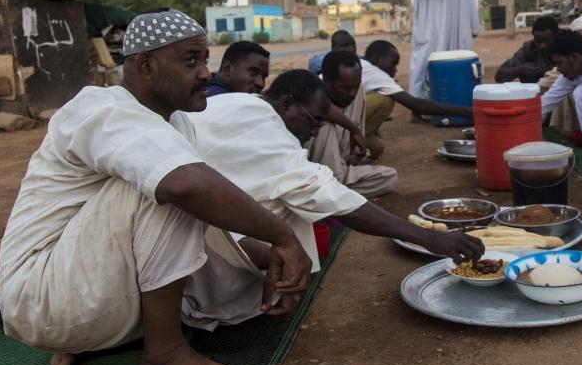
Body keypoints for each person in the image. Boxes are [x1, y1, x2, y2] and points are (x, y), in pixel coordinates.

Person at [0, 8, 311, 365]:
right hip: (43, 295)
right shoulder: (101, 109)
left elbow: (206, 218)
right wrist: (284, 236)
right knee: (173, 186)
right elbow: (186, 188)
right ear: (145, 65)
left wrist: (270, 260)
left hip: (92, 301)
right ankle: (164, 354)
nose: (204, 74)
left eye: (206, 60)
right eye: (191, 60)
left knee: (209, 216)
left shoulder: (176, 123)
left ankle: (94, 337)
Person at [184, 70, 485, 327]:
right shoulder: (270, 134)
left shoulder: (238, 102)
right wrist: (428, 238)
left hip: (189, 215)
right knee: (294, 209)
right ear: (286, 104)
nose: (315, 130)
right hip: (187, 252)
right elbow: (329, 198)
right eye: (313, 120)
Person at [360, 40, 474, 158]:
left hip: (343, 116)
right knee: (385, 101)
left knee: (377, 148)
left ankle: (352, 142)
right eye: (392, 64)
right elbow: (417, 105)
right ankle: (349, 139)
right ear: (377, 58)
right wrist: (467, 112)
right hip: (344, 122)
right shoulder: (377, 75)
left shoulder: (360, 63)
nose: (395, 70)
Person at [309, 50, 399, 196]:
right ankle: (330, 191)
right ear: (326, 80)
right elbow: (325, 109)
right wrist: (354, 130)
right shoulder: (313, 92)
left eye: (355, 87)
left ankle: (332, 192)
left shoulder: (357, 93)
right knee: (324, 124)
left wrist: (355, 157)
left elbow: (357, 143)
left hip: (343, 173)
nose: (352, 93)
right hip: (317, 174)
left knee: (390, 176)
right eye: (345, 88)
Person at [494, 15, 558, 83]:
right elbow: (499, 76)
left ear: (556, 36)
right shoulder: (528, 49)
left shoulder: (566, 50)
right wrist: (520, 70)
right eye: (538, 41)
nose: (542, 46)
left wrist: (543, 72)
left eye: (547, 41)